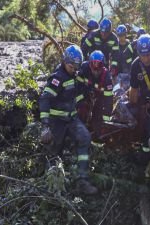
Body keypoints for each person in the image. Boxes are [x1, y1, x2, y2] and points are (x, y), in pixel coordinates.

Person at [39, 44, 98, 195]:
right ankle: (51, 187)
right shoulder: (57, 79)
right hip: (56, 122)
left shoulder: (75, 75)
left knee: (85, 137)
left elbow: (74, 95)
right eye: (72, 66)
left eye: (76, 67)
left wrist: (87, 95)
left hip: (71, 119)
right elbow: (45, 99)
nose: (74, 69)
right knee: (54, 152)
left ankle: (82, 180)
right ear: (65, 62)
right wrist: (45, 126)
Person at [77, 50, 113, 138]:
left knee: (98, 115)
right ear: (89, 64)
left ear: (103, 66)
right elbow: (77, 86)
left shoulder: (107, 78)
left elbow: (108, 100)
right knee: (82, 108)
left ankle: (96, 133)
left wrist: (106, 120)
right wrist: (81, 101)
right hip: (85, 92)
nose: (96, 70)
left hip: (100, 96)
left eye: (99, 66)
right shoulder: (83, 68)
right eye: (93, 65)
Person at [81, 17, 120, 81]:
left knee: (104, 81)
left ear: (110, 31)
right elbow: (84, 49)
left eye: (106, 32)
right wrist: (85, 62)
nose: (104, 34)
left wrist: (113, 66)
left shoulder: (114, 38)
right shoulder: (93, 34)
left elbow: (116, 54)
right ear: (100, 29)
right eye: (102, 31)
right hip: (92, 63)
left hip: (105, 64)